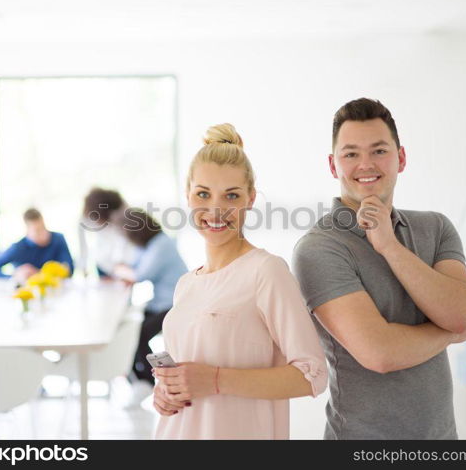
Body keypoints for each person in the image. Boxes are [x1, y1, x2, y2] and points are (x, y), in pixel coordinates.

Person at [292, 98, 466, 440]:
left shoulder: (435, 228)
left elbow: (463, 311)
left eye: (379, 151)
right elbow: (379, 353)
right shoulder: (318, 248)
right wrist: (451, 331)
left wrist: (389, 246)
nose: (365, 164)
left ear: (401, 158)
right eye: (350, 154)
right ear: (333, 166)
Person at [152, 123, 327, 440]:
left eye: (231, 196)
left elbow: (312, 375)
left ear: (250, 199)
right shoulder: (186, 285)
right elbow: (189, 374)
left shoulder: (266, 272)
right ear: (188, 196)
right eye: (203, 194)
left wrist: (217, 380)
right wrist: (165, 392)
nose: (215, 210)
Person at [111, 208, 188, 407]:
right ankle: (137, 380)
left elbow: (139, 274)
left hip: (175, 305)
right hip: (159, 303)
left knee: (138, 333)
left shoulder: (162, 244)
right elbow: (130, 267)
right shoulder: (147, 246)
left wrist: (123, 270)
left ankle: (145, 381)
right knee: (125, 329)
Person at [0, 208, 74, 282]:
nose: (44, 234)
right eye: (37, 231)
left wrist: (39, 273)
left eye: (43, 228)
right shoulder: (18, 248)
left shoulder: (58, 239)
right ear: (27, 231)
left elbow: (69, 268)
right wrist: (14, 276)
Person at [77, 187, 136, 278]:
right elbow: (82, 244)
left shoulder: (120, 208)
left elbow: (127, 239)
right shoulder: (86, 216)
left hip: (124, 264)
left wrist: (121, 265)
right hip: (103, 263)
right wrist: (83, 267)